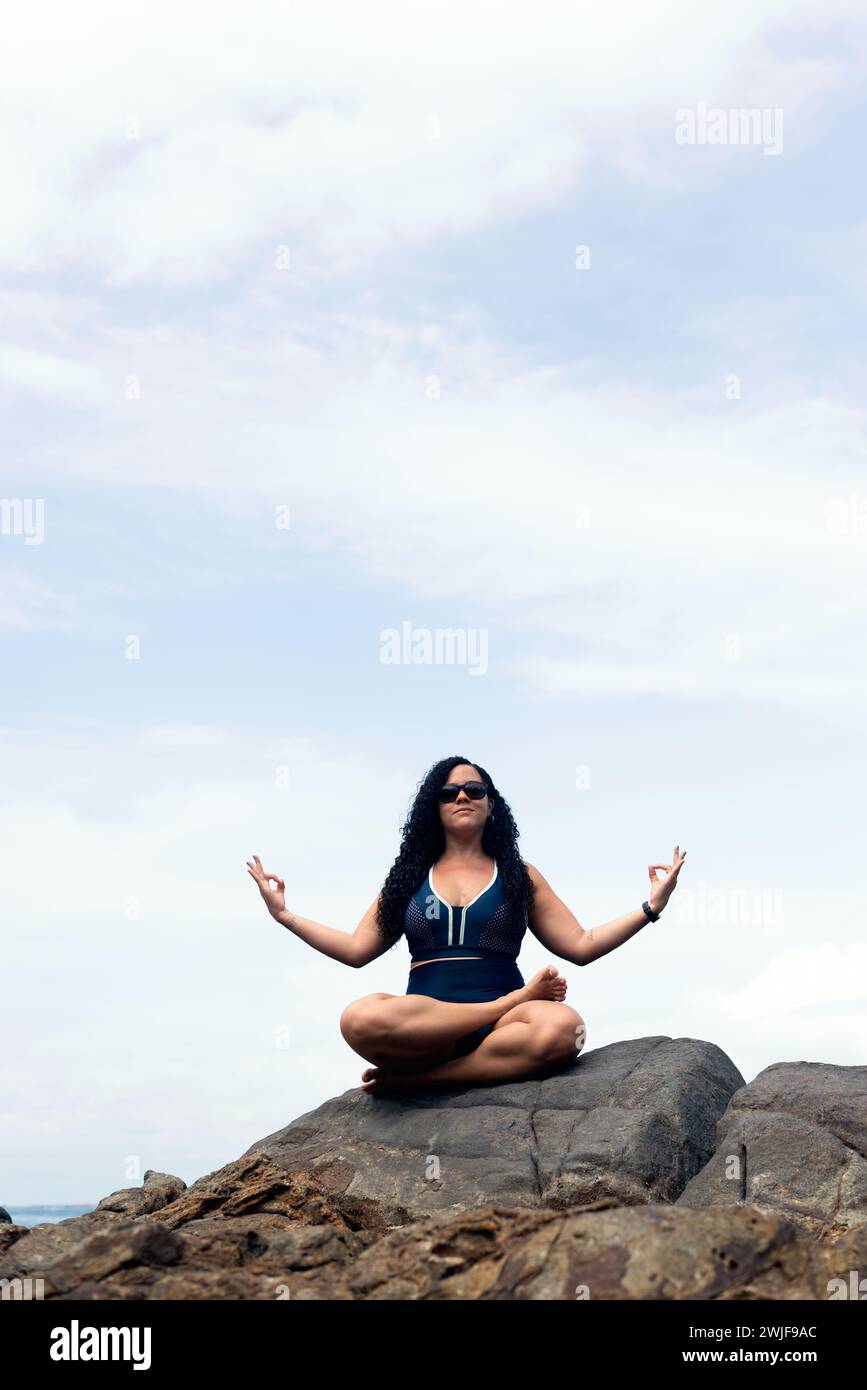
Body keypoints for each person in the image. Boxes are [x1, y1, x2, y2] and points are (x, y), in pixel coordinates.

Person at [246, 755, 686, 1094]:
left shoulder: (519, 874)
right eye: (449, 792)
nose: (462, 797)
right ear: (433, 808)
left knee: (566, 1028)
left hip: (505, 1028)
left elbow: (582, 944)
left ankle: (423, 1083)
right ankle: (479, 1031)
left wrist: (650, 907)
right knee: (357, 1018)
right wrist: (285, 916)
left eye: (474, 790)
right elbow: (357, 950)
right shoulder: (409, 877)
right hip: (428, 1030)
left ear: (491, 805)